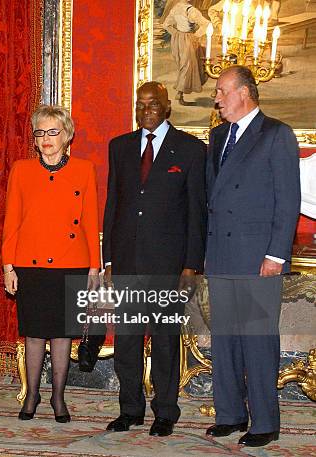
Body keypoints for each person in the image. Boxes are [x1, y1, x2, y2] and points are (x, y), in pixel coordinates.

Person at [102, 81, 206, 436]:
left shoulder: (190, 149)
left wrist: (191, 264)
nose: (146, 110)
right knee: (127, 341)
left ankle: (165, 412)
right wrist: (110, 259)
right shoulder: (120, 147)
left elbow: (197, 212)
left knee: (164, 341)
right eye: (140, 104)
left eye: (153, 104)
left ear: (167, 108)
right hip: (128, 263)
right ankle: (130, 409)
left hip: (168, 265)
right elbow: (113, 204)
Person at [204, 65, 300, 448]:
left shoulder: (276, 134)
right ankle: (229, 414)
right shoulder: (217, 136)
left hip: (258, 256)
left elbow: (287, 200)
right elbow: (213, 198)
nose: (217, 99)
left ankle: (264, 420)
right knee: (224, 338)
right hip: (222, 253)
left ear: (244, 92)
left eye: (223, 92)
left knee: (258, 340)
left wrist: (276, 254)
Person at [2, 105, 100, 423]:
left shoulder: (84, 170)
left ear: (67, 136)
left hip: (71, 263)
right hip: (30, 265)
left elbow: (89, 221)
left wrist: (94, 268)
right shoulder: (21, 170)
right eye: (40, 132)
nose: (46, 138)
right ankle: (32, 394)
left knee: (62, 335)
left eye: (53, 132)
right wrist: (7, 266)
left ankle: (58, 396)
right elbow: (11, 221)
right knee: (33, 334)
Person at [162, 0, 210, 105]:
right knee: (187, 66)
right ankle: (179, 93)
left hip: (178, 39)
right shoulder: (191, 10)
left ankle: (181, 93)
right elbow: (206, 24)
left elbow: (166, 25)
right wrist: (196, 35)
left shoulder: (176, 8)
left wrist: (176, 33)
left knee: (184, 65)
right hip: (187, 40)